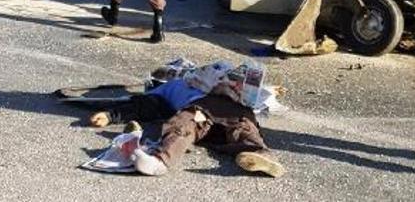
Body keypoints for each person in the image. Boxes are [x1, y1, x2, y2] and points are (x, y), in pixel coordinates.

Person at [87, 64, 285, 178]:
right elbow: (142, 104)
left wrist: (268, 90)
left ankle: (261, 155)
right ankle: (159, 161)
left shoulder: (208, 77)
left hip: (230, 110)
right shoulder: (170, 87)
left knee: (243, 124)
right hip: (198, 113)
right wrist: (110, 115)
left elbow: (253, 90)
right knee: (181, 125)